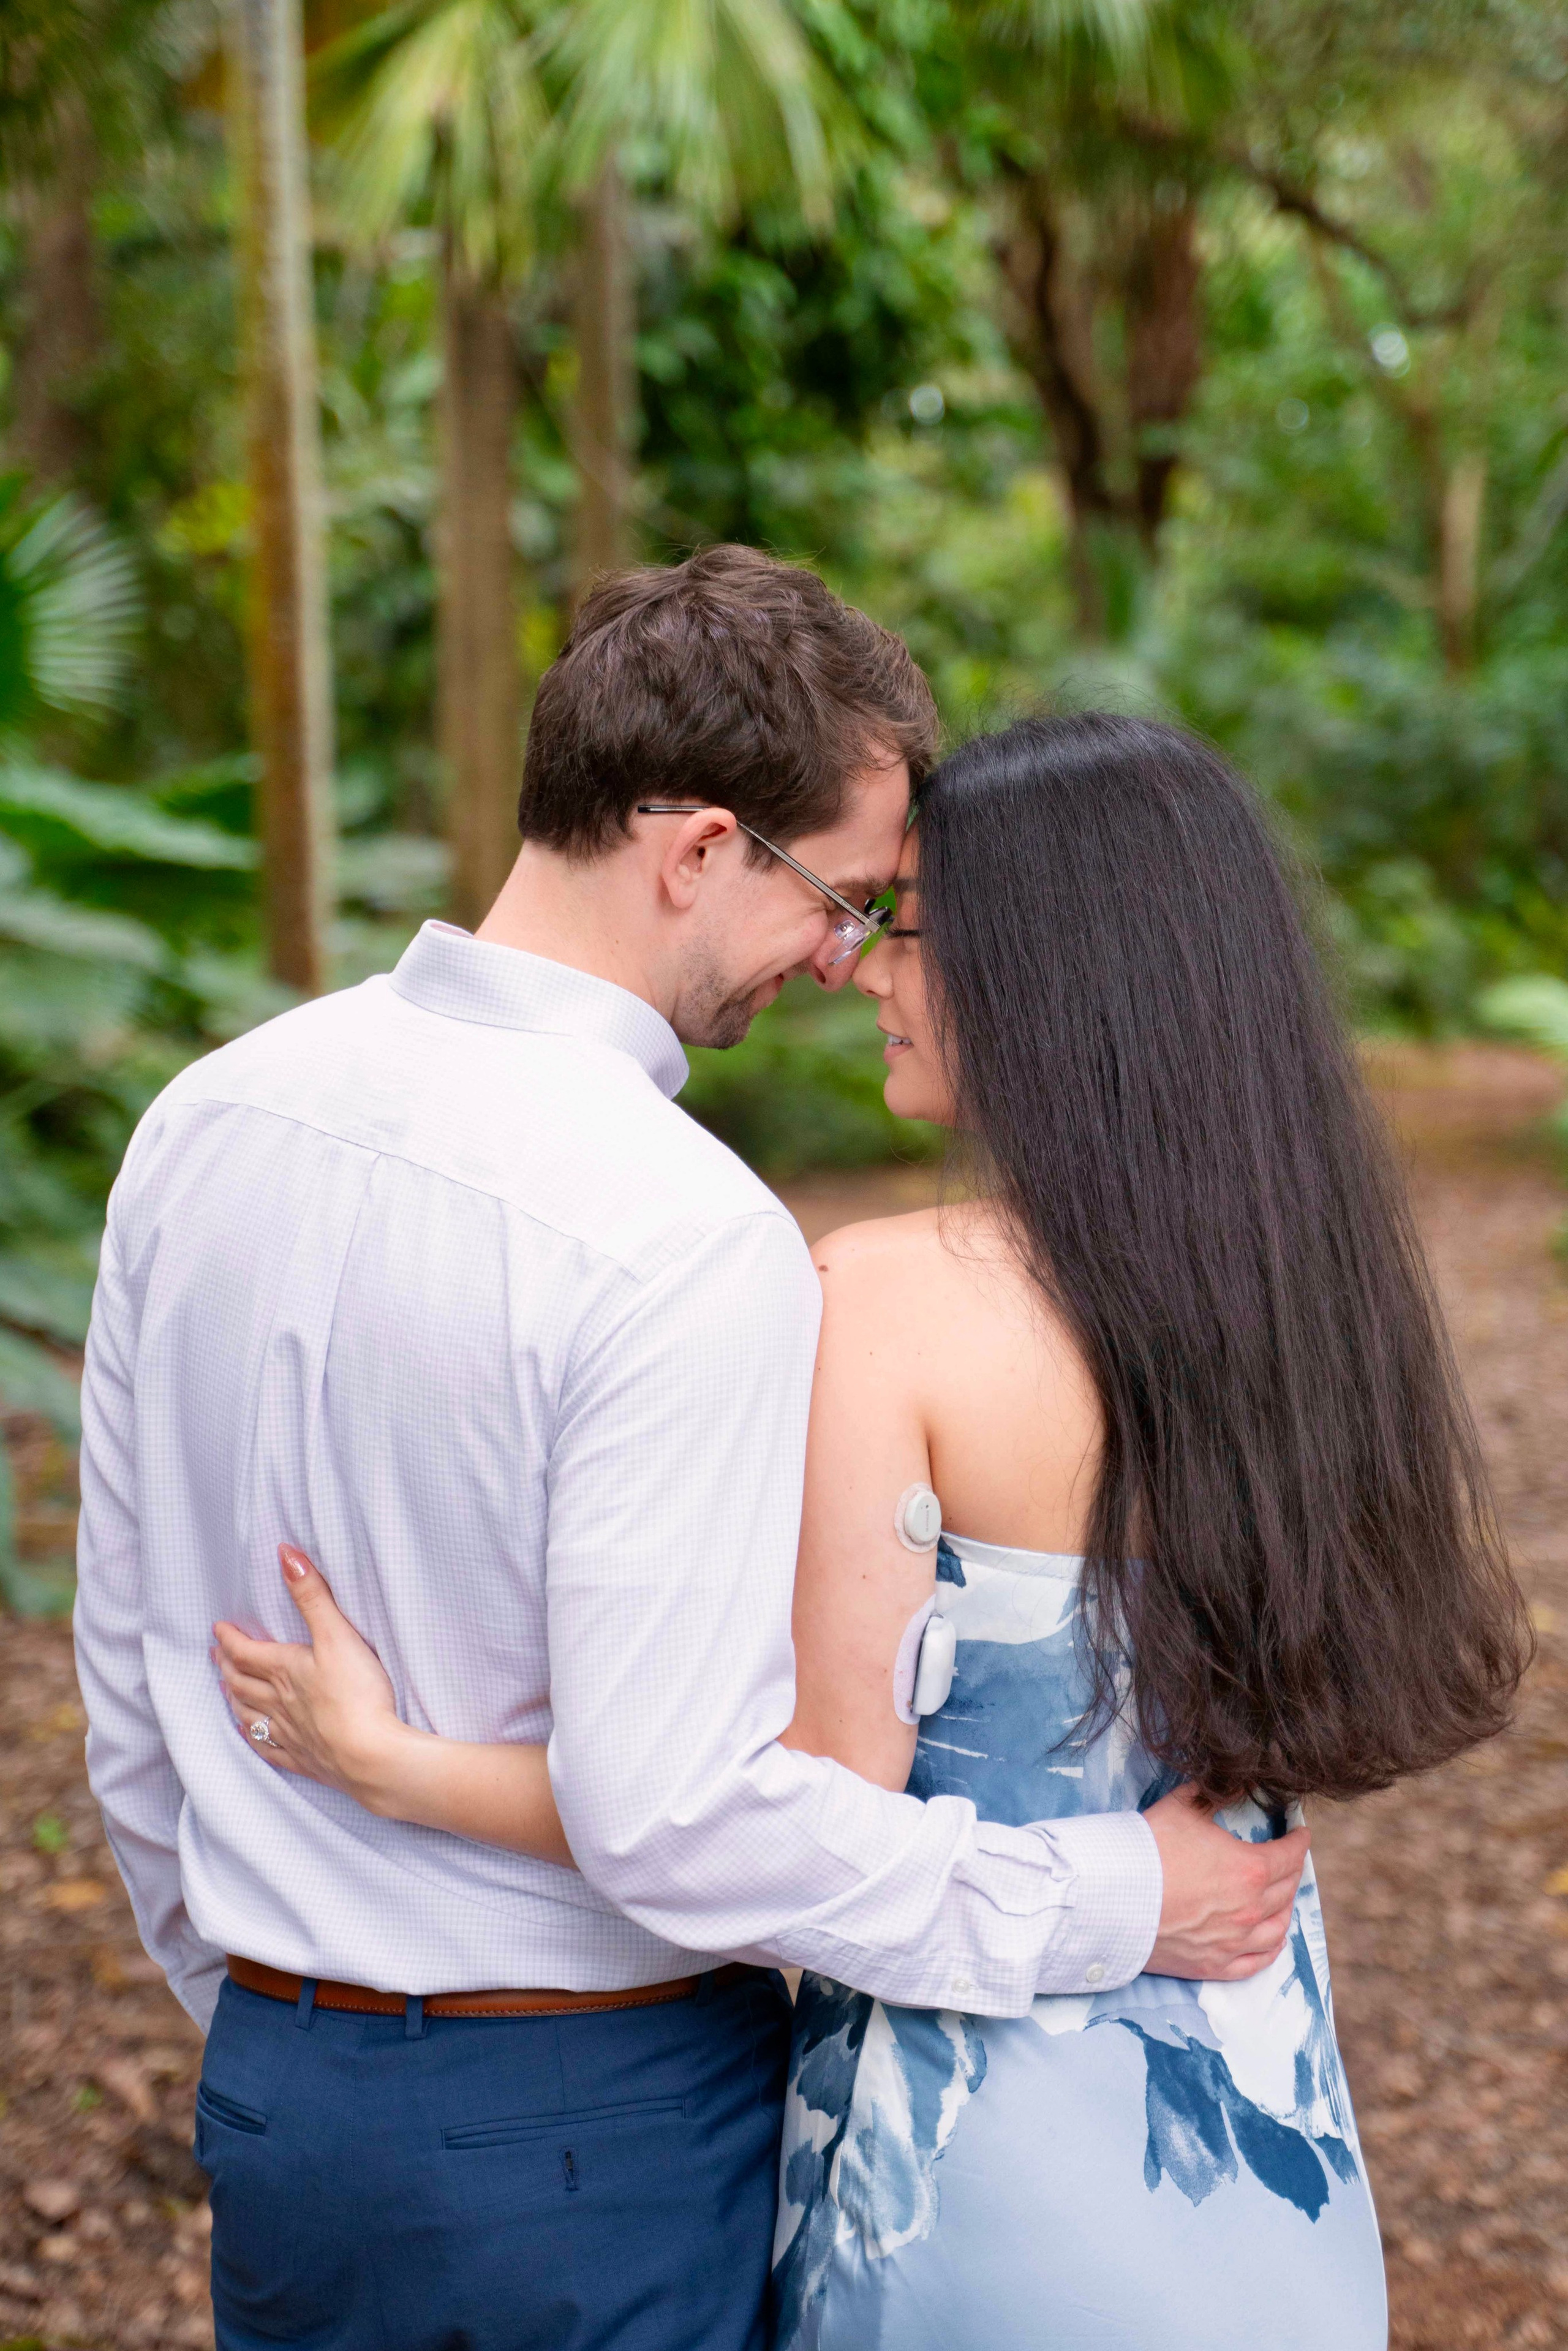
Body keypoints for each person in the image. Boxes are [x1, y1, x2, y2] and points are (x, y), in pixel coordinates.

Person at [74, 556, 1303, 2351]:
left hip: (284, 2107)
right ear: (698, 848)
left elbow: (130, 1689)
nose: (845, 960)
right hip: (590, 2123)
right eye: (845, 899)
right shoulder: (678, 1234)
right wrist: (1116, 1895)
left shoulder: (206, 1118)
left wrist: (276, 2008)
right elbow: (687, 1813)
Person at [217, 712, 1529, 2351]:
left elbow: (771, 1809)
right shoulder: (1308, 1313)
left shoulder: (891, 1303)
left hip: (981, 2171)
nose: (866, 975)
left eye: (904, 928)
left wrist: (399, 1765)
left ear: (1044, 971)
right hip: (1259, 2151)